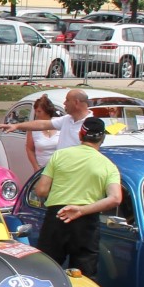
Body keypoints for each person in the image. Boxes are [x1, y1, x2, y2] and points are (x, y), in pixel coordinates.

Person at [32, 116, 122, 277]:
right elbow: (115, 198)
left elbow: (41, 190)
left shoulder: (59, 155)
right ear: (102, 138)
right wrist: (81, 210)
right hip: (86, 220)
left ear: (80, 134)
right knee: (84, 275)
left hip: (57, 216)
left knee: (45, 271)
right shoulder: (109, 165)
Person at [1, 87, 91, 149]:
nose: (64, 103)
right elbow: (42, 124)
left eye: (67, 100)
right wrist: (16, 126)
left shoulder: (92, 125)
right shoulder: (67, 119)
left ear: (76, 102)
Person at [23, 95, 60, 174]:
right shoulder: (33, 129)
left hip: (59, 169)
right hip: (42, 170)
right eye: (35, 111)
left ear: (47, 111)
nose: (36, 114)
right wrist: (36, 167)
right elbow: (29, 149)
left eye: (39, 111)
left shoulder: (59, 123)